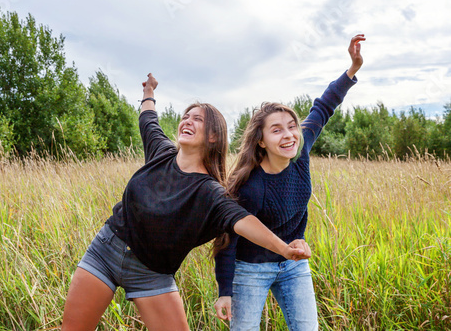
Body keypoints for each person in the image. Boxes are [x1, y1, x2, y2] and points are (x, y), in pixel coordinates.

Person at [61, 73, 311, 331]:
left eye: (198, 119)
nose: (187, 121)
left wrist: (283, 249)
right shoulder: (160, 151)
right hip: (105, 251)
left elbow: (243, 221)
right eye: (185, 117)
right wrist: (148, 93)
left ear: (213, 136)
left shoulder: (211, 193)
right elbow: (148, 118)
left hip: (152, 274)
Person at [213, 34, 365, 330]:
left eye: (292, 127)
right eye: (277, 130)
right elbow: (227, 238)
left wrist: (352, 69)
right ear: (261, 141)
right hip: (250, 268)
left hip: (293, 266)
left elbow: (324, 106)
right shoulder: (248, 184)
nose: (289, 135)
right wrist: (225, 291)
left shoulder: (301, 149)